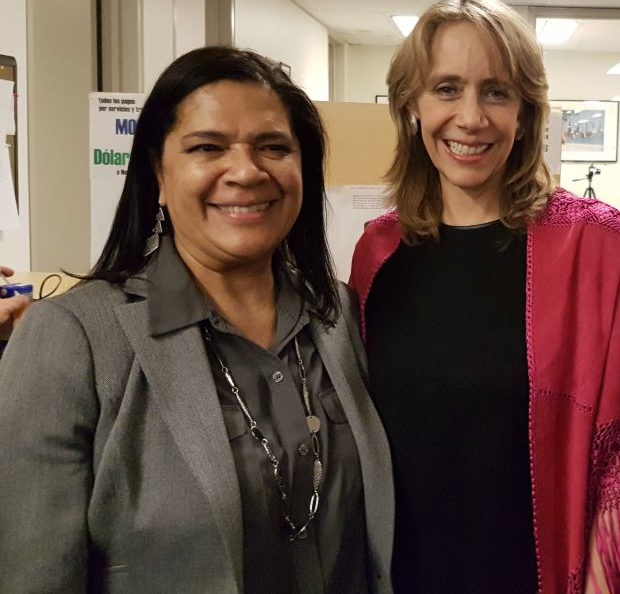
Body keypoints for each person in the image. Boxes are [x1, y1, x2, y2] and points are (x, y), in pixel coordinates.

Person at [0, 47, 394, 594]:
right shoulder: (74, 339)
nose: (246, 171)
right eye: (207, 147)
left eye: (274, 147)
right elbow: (33, 573)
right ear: (158, 176)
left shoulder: (338, 316)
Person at [349, 0, 620, 593]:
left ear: (525, 112)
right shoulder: (377, 252)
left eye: (496, 92)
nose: (471, 117)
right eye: (447, 89)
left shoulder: (592, 244)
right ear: (412, 105)